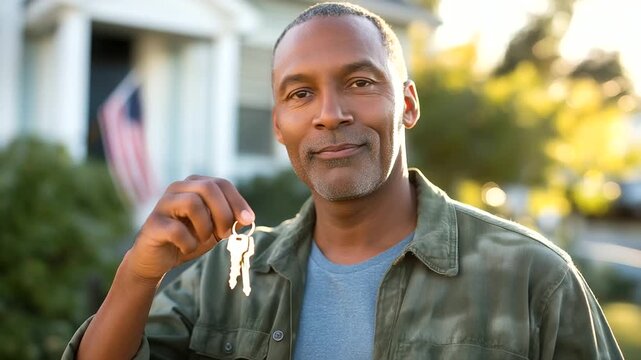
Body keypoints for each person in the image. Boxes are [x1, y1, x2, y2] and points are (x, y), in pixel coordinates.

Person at [64, 2, 623, 359]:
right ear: (279, 124)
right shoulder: (228, 277)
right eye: (300, 94)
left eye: (359, 82)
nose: (329, 113)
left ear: (405, 104)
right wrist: (140, 271)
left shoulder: (533, 278)